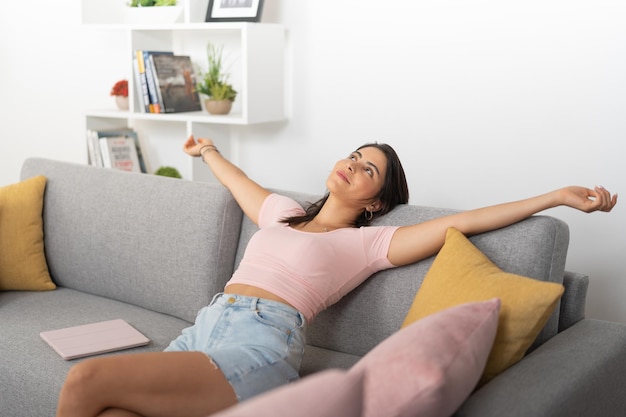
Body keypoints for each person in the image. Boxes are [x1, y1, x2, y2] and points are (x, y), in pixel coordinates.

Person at [56, 136, 617, 417]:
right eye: (354, 154)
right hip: (204, 329)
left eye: (368, 168)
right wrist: (208, 152)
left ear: (376, 202)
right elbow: (237, 179)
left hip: (260, 343)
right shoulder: (281, 212)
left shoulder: (369, 243)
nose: (352, 163)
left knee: (85, 384)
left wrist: (558, 197)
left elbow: (466, 221)